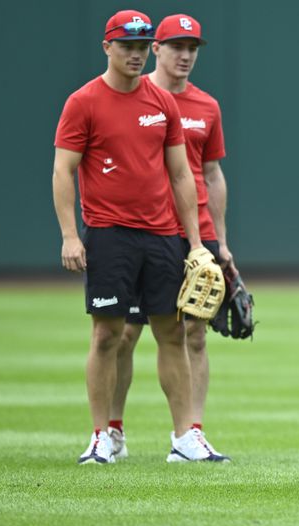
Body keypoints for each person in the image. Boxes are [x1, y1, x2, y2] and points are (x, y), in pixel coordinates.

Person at [52, 9, 213, 464]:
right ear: (107, 47)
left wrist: (196, 241)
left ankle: (184, 438)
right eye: (127, 46)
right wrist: (70, 235)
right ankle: (103, 436)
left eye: (142, 47)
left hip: (162, 235)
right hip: (108, 235)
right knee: (107, 334)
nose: (137, 55)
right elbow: (63, 170)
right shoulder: (83, 102)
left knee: (172, 331)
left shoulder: (162, 102)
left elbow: (182, 175)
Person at [106, 14, 232, 462]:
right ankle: (112, 431)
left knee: (194, 334)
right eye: (176, 46)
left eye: (193, 47)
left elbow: (212, 175)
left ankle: (190, 433)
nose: (185, 55)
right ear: (154, 48)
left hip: (196, 232)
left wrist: (221, 242)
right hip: (150, 230)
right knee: (124, 334)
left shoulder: (206, 106)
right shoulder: (141, 98)